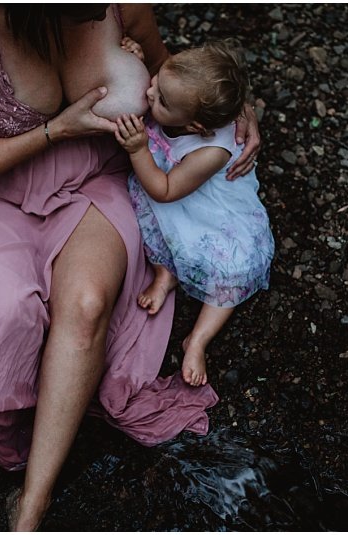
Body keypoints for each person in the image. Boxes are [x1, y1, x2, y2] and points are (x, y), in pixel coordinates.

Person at [0, 4, 260, 531]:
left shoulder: (119, 5)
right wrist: (53, 131)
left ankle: (31, 507)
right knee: (8, 311)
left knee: (88, 306)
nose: (99, 7)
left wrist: (237, 119)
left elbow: (180, 85)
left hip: (96, 176)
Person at [114, 40, 275, 387]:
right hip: (173, 187)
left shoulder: (210, 151)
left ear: (195, 127)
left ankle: (198, 340)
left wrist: (139, 149)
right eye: (156, 81)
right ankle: (165, 274)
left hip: (205, 209)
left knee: (233, 270)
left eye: (161, 100)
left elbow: (165, 191)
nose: (150, 92)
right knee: (156, 231)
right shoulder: (177, 93)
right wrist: (140, 63)